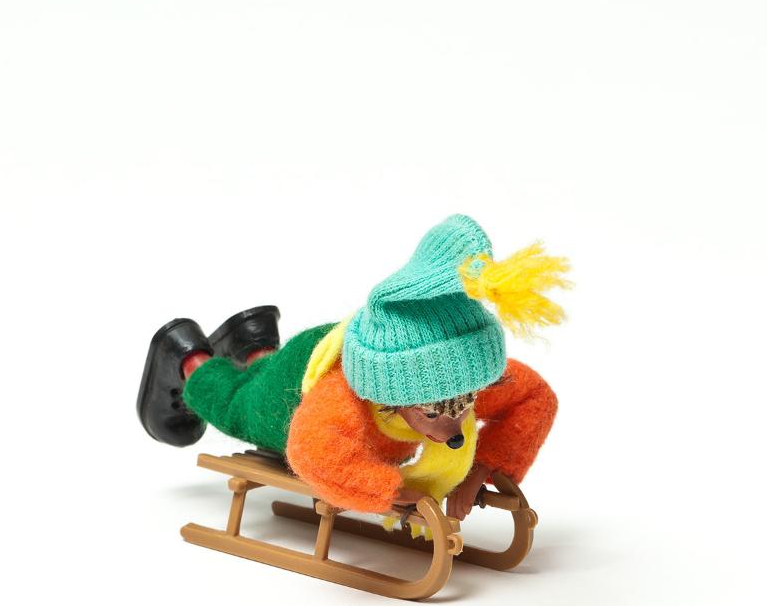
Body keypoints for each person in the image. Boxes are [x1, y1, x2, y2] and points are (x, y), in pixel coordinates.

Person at [137, 214, 569, 521]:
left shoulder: (453, 380)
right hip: (293, 386)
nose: (454, 428)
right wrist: (387, 491)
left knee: (262, 380)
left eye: (465, 403)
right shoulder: (340, 402)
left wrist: (483, 466)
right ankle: (188, 355)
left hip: (340, 345)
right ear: (392, 395)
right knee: (240, 406)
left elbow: (534, 397)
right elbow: (313, 453)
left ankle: (255, 342)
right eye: (432, 413)